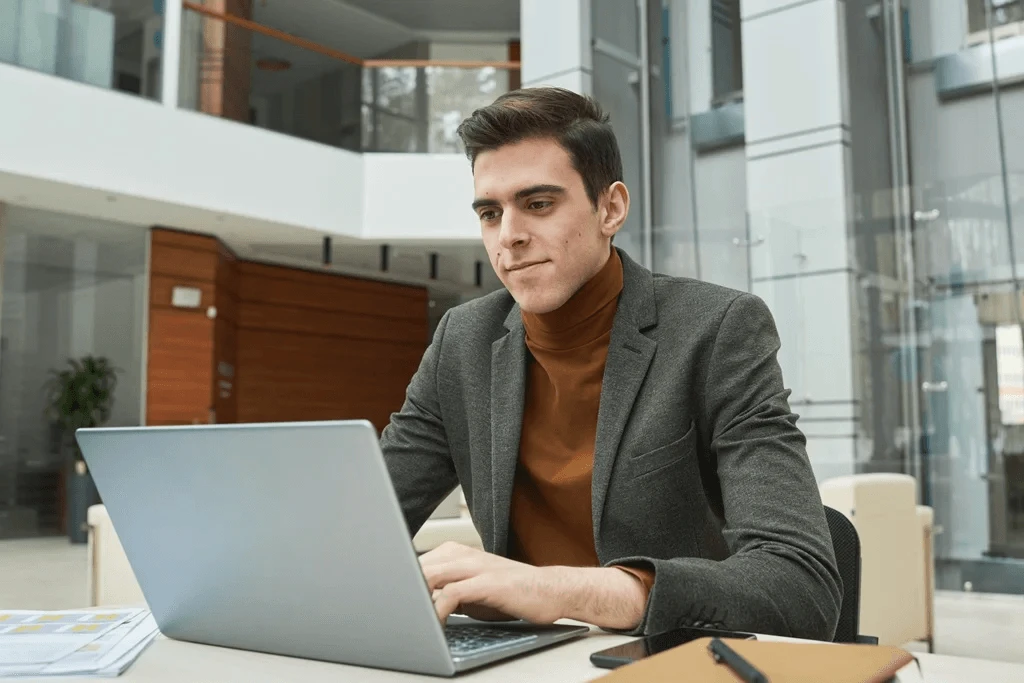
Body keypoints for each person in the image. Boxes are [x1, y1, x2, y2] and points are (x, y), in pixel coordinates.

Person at [380, 87, 841, 640]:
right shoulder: (464, 340)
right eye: (489, 212)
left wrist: (556, 589)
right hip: (518, 662)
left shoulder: (717, 329)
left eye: (539, 204)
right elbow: (364, 526)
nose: (509, 236)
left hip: (667, 660)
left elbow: (801, 586)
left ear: (611, 208)